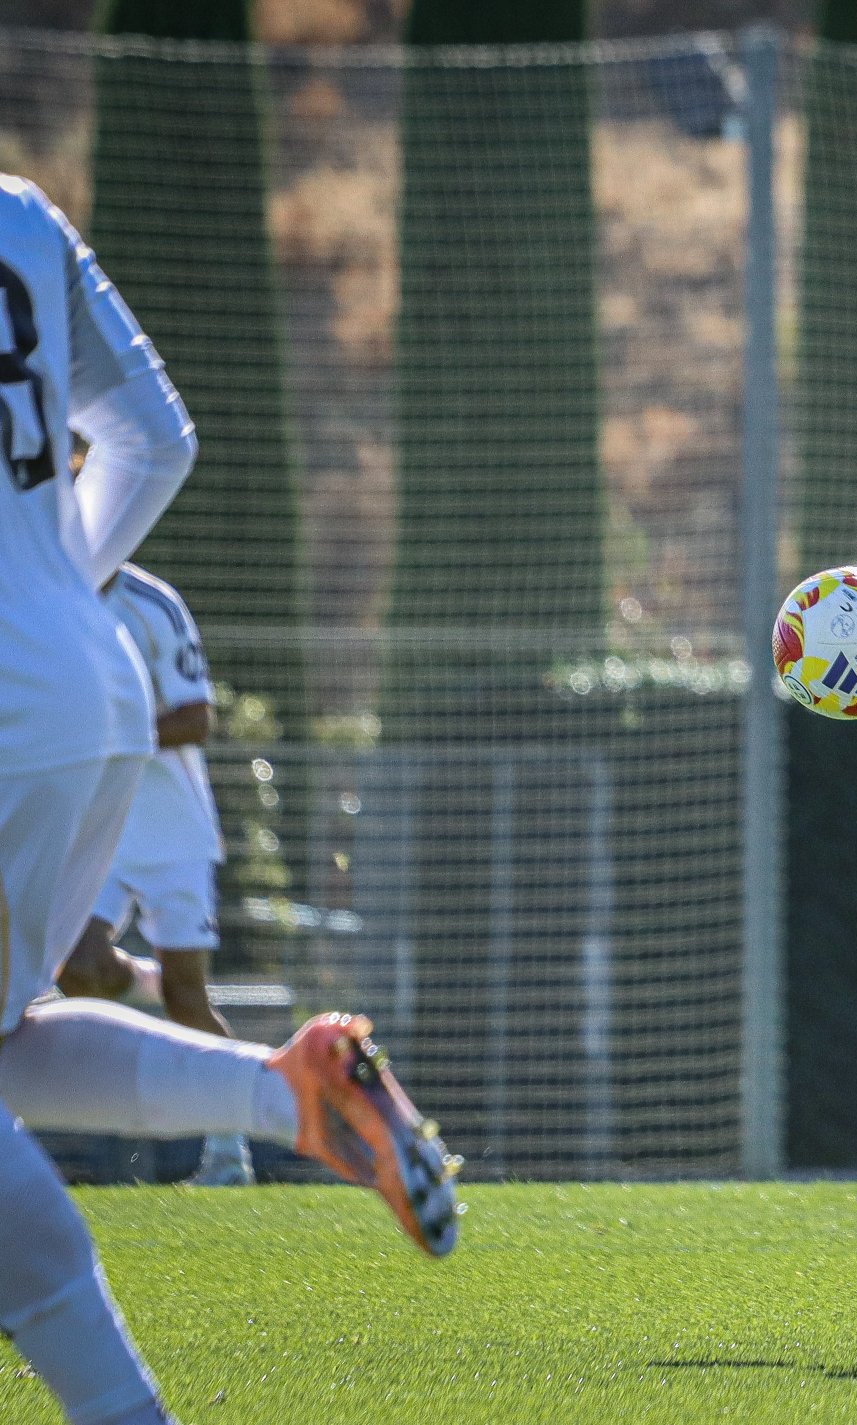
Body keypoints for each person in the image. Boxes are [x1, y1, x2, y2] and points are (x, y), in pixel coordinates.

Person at [1, 172, 460, 1425]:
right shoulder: (23, 215)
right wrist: (50, 588)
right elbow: (159, 437)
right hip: (87, 688)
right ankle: (290, 1092)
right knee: (8, 1038)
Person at [58, 563, 252, 1185]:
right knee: (78, 970)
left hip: (174, 836)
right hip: (102, 829)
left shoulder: (153, 603)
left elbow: (197, 718)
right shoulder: (47, 588)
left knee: (188, 1000)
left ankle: (229, 1154)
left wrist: (106, 734)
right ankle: (148, 981)